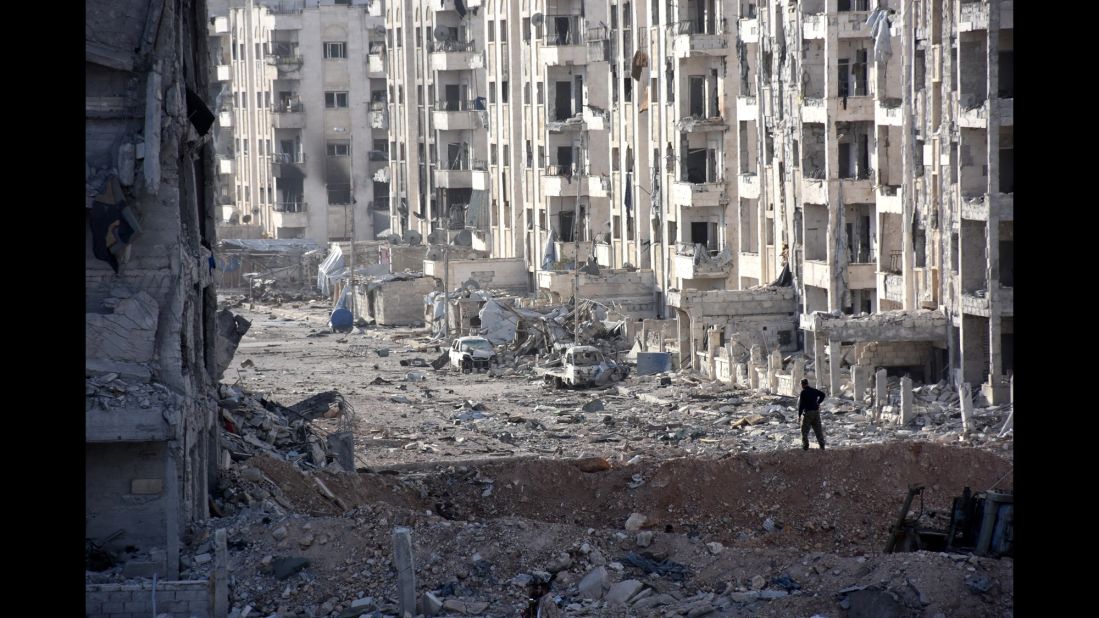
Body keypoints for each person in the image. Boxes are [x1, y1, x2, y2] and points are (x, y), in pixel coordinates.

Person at [797, 378, 827, 450]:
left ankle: (805, 446)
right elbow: (823, 395)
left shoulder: (803, 392)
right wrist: (818, 402)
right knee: (818, 430)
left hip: (808, 413)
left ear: (802, 385)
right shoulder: (814, 390)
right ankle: (822, 445)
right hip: (816, 412)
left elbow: (801, 405)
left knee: (804, 430)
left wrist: (799, 415)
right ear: (807, 383)